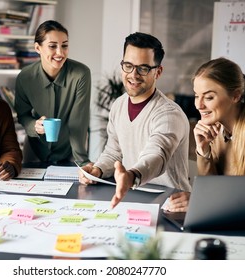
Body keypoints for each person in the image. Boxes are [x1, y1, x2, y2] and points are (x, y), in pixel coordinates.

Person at [79, 32, 191, 209]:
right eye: (128, 65)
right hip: (133, 199)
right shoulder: (119, 105)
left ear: (158, 72)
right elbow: (113, 152)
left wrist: (131, 176)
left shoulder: (169, 114)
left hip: (172, 206)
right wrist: (97, 170)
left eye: (143, 68)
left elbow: (156, 156)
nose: (133, 74)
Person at [166, 57, 245, 213]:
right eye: (196, 96)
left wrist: (202, 202)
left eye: (208, 97)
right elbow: (212, 191)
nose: (198, 105)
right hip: (232, 220)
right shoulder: (217, 129)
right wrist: (204, 151)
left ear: (235, 96)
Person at [14, 20, 91, 164]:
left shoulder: (81, 74)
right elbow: (23, 115)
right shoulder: (25, 77)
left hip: (70, 150)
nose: (60, 52)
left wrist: (82, 162)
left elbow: (78, 122)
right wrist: (33, 126)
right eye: (52, 46)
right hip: (35, 148)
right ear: (38, 48)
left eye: (65, 46)